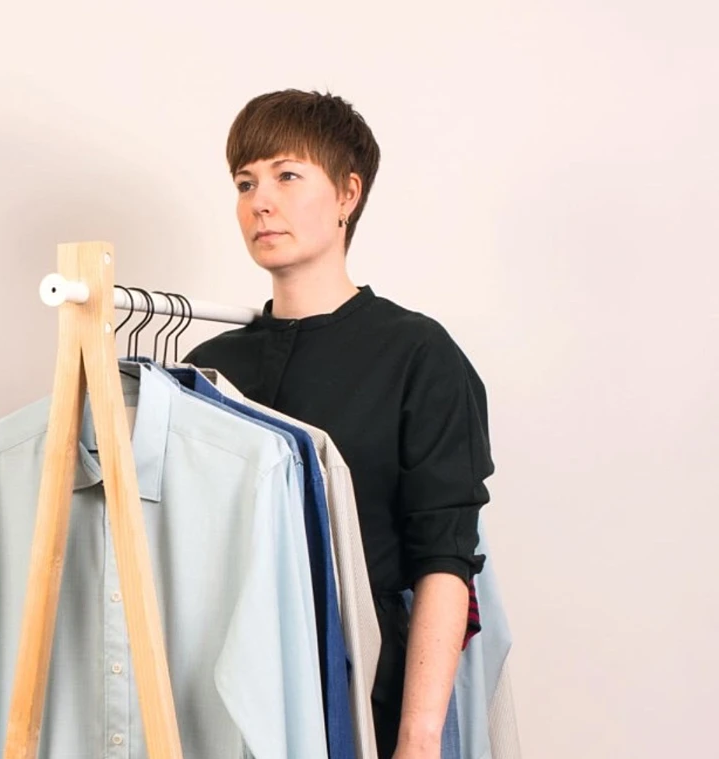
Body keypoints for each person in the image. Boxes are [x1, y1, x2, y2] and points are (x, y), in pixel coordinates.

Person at [184, 90, 494, 759]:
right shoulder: (206, 367)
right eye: (244, 182)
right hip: (211, 702)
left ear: (347, 193)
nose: (259, 200)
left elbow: (444, 556)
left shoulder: (417, 355)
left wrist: (416, 738)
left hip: (357, 699)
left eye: (286, 175)